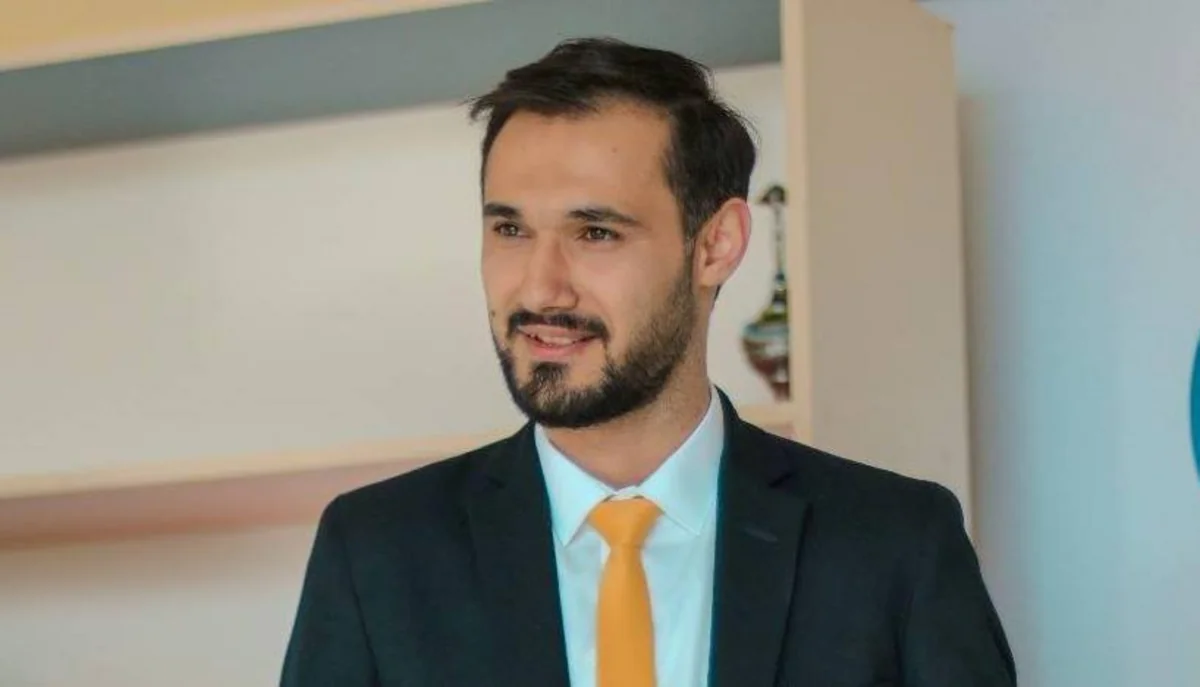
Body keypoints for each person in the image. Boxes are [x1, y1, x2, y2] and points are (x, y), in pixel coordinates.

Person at [280, 37, 1016, 687]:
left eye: (596, 233)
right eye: (510, 229)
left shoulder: (896, 544)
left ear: (716, 245)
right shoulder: (377, 554)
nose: (539, 288)